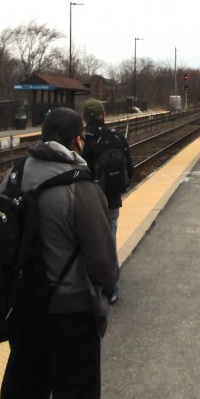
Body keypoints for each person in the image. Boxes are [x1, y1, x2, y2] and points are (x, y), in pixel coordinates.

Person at [0, 107, 118, 399]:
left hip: (24, 312)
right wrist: (104, 298)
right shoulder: (82, 187)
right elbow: (105, 266)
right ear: (77, 140)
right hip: (73, 317)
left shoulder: (15, 175)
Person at [81, 98, 134, 304]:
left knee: (86, 244)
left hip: (87, 202)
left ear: (85, 116)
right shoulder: (117, 137)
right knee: (109, 244)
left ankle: (90, 286)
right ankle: (113, 288)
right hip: (111, 201)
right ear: (103, 115)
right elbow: (130, 169)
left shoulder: (82, 139)